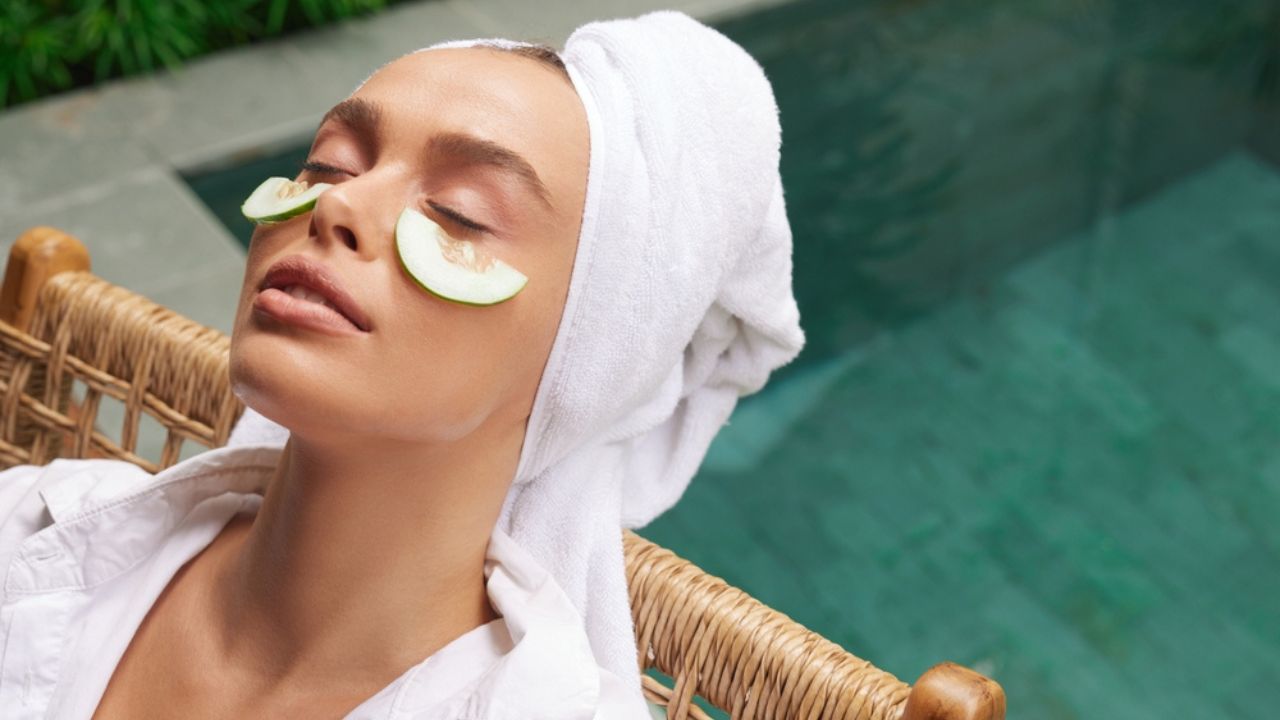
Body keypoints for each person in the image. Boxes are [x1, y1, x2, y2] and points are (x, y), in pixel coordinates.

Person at [0, 9, 804, 720]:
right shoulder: (30, 526)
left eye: (460, 213)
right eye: (328, 165)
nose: (337, 206)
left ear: (586, 355)